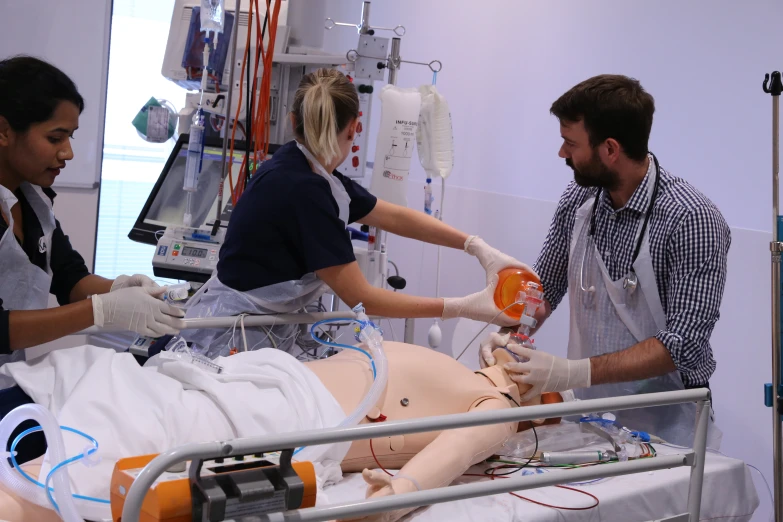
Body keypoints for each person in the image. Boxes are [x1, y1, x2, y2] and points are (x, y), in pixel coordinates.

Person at [0, 340, 563, 522]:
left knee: (144, 426)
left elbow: (465, 442)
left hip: (286, 407)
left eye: (545, 390)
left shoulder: (497, 403)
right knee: (152, 410)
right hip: (275, 392)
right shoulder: (470, 371)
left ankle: (21, 493)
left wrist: (400, 493)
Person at [181, 68, 528, 357]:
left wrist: (474, 245)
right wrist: (459, 307)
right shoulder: (306, 191)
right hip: (232, 346)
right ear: (355, 129)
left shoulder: (302, 167)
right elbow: (360, 297)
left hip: (244, 333)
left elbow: (391, 215)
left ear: (292, 121)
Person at [480, 74, 730, 447]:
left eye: (570, 143)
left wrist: (572, 371)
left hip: (668, 421)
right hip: (588, 414)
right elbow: (542, 289)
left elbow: (683, 344)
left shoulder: (691, 220)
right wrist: (512, 333)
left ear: (610, 149)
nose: (562, 154)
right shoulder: (579, 201)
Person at [0, 55, 186, 463]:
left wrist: (124, 290)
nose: (67, 153)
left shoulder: (32, 201)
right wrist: (101, 311)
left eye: (71, 137)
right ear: (4, 131)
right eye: (55, 138)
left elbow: (68, 278)